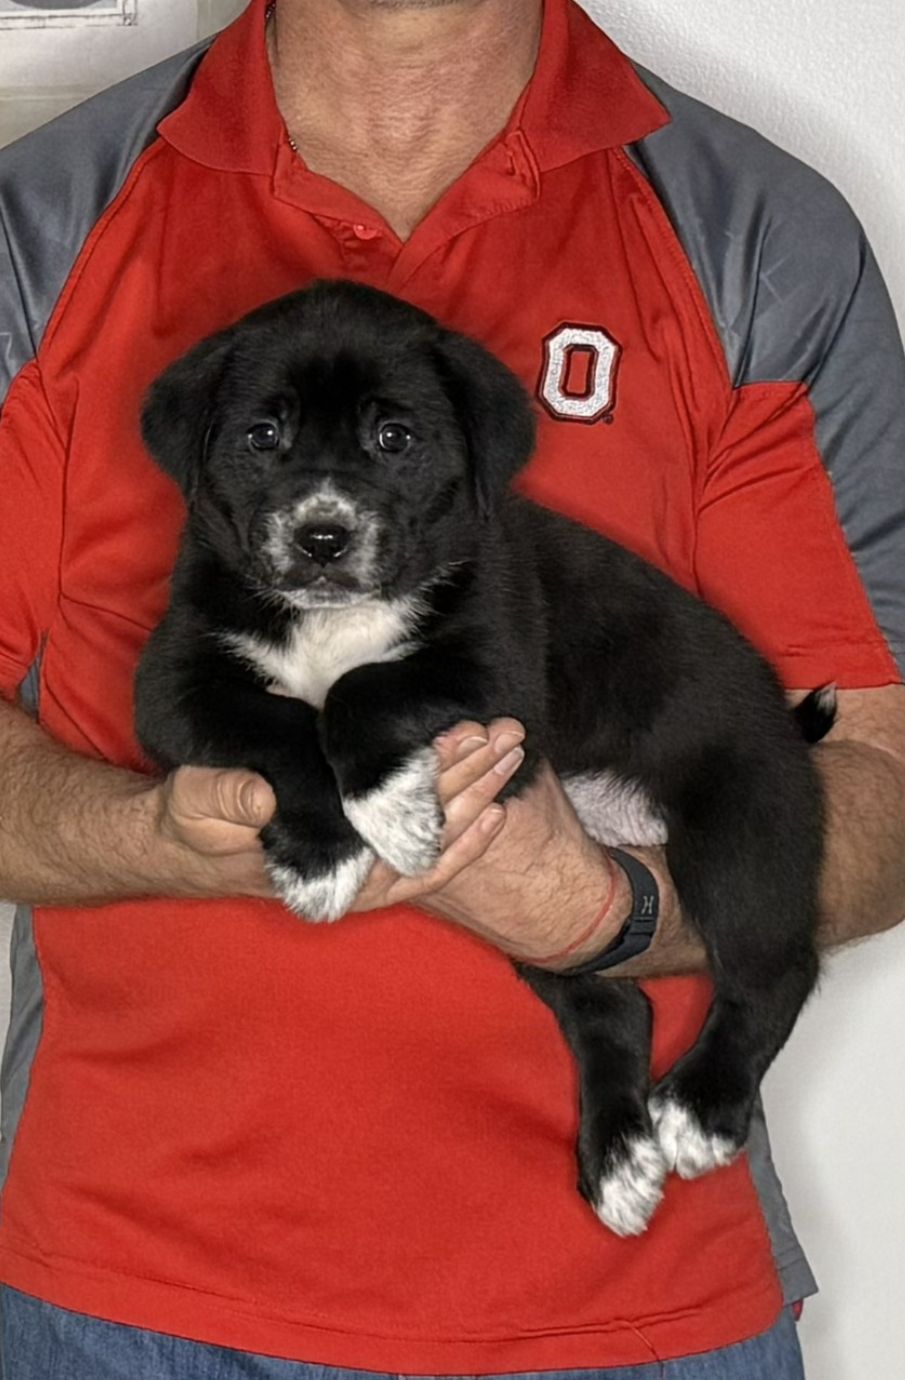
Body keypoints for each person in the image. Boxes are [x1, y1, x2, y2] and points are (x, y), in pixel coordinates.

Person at [0, 0, 903, 1375]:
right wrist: (156, 839)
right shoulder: (45, 221)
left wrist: (611, 912)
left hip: (631, 1316)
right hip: (125, 1303)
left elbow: (883, 776)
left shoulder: (750, 238)